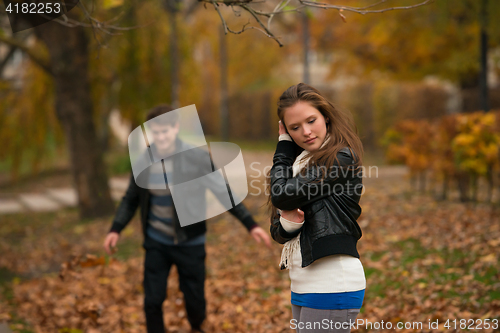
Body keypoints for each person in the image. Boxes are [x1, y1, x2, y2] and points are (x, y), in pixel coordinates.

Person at [103, 104, 271, 333]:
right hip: (156, 242)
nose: (160, 137)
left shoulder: (196, 158)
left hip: (190, 242)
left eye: (165, 130)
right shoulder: (143, 160)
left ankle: (196, 327)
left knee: (194, 303)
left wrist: (250, 225)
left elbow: (223, 191)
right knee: (152, 301)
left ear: (176, 128)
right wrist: (115, 229)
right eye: (155, 132)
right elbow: (131, 198)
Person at [268, 83, 365, 333]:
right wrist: (290, 224)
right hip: (302, 284)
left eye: (311, 120)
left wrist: (283, 148)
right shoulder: (299, 167)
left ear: (326, 116)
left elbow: (280, 195)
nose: (306, 132)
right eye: (295, 128)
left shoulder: (341, 158)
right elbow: (277, 232)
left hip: (332, 282)